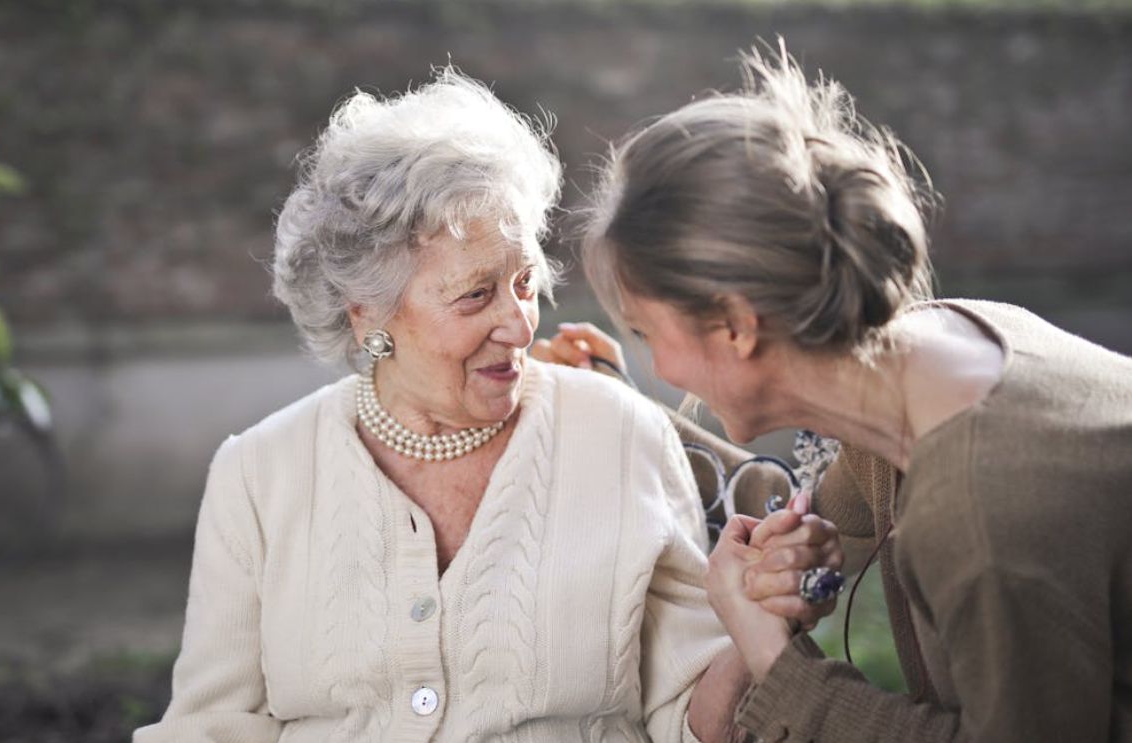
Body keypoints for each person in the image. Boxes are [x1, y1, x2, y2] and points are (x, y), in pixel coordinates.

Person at [133, 68, 838, 743]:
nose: (519, 323)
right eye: (475, 295)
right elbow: (211, 723)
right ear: (365, 313)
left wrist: (752, 621)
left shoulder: (618, 433)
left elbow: (689, 721)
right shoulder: (258, 473)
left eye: (525, 281)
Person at [569, 44, 1132, 742]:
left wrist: (779, 664)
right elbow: (818, 532)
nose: (662, 367)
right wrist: (789, 571)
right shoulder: (938, 349)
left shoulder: (981, 515)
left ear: (737, 326)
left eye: (646, 332)